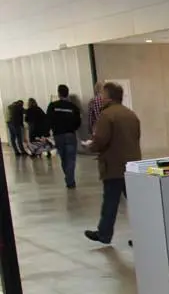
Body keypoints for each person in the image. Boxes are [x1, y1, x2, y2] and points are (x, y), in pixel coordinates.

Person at [85, 82, 141, 245]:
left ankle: (104, 234)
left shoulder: (107, 115)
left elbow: (100, 139)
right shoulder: (131, 114)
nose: (101, 97)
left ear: (109, 97)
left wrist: (90, 146)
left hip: (113, 165)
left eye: (103, 94)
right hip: (132, 166)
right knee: (137, 203)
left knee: (110, 202)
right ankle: (143, 235)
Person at [46, 84, 83, 189]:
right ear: (67, 93)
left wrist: (49, 131)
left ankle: (69, 179)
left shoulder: (53, 106)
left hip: (58, 135)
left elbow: (48, 120)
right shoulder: (73, 107)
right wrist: (72, 128)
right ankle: (70, 180)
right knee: (71, 159)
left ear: (59, 93)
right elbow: (78, 122)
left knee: (63, 159)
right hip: (70, 135)